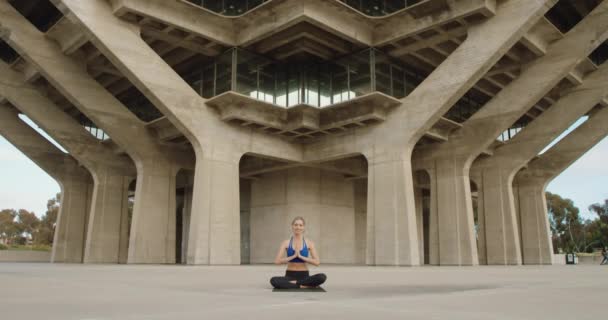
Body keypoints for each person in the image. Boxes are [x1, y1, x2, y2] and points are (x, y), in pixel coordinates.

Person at [270, 216, 327, 289]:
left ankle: (296, 284)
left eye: (300, 225)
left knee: (322, 277)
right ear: (292, 226)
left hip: (304, 276)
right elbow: (277, 261)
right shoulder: (286, 243)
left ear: (304, 227)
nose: (298, 227)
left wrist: (300, 256)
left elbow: (317, 262)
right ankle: (303, 285)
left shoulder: (309, 243)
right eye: (296, 225)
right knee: (273, 280)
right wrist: (293, 256)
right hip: (289, 276)